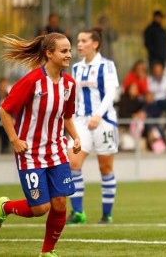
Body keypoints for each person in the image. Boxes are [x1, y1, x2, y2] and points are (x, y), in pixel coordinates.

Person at [0, 33, 81, 257]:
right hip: (30, 153)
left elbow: (67, 117)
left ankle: (47, 252)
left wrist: (75, 137)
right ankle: (5, 207)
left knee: (60, 204)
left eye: (70, 50)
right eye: (64, 51)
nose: (69, 54)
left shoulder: (69, 84)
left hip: (57, 151)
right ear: (49, 54)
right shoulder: (32, 81)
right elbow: (5, 109)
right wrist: (14, 139)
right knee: (40, 208)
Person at [66, 27, 119, 225]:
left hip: (104, 122)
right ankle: (78, 213)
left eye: (83, 41)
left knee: (105, 168)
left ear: (95, 44)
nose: (79, 44)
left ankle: (106, 215)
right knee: (73, 164)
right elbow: (75, 97)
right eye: (78, 41)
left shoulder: (107, 65)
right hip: (81, 122)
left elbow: (110, 92)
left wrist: (98, 115)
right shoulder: (77, 68)